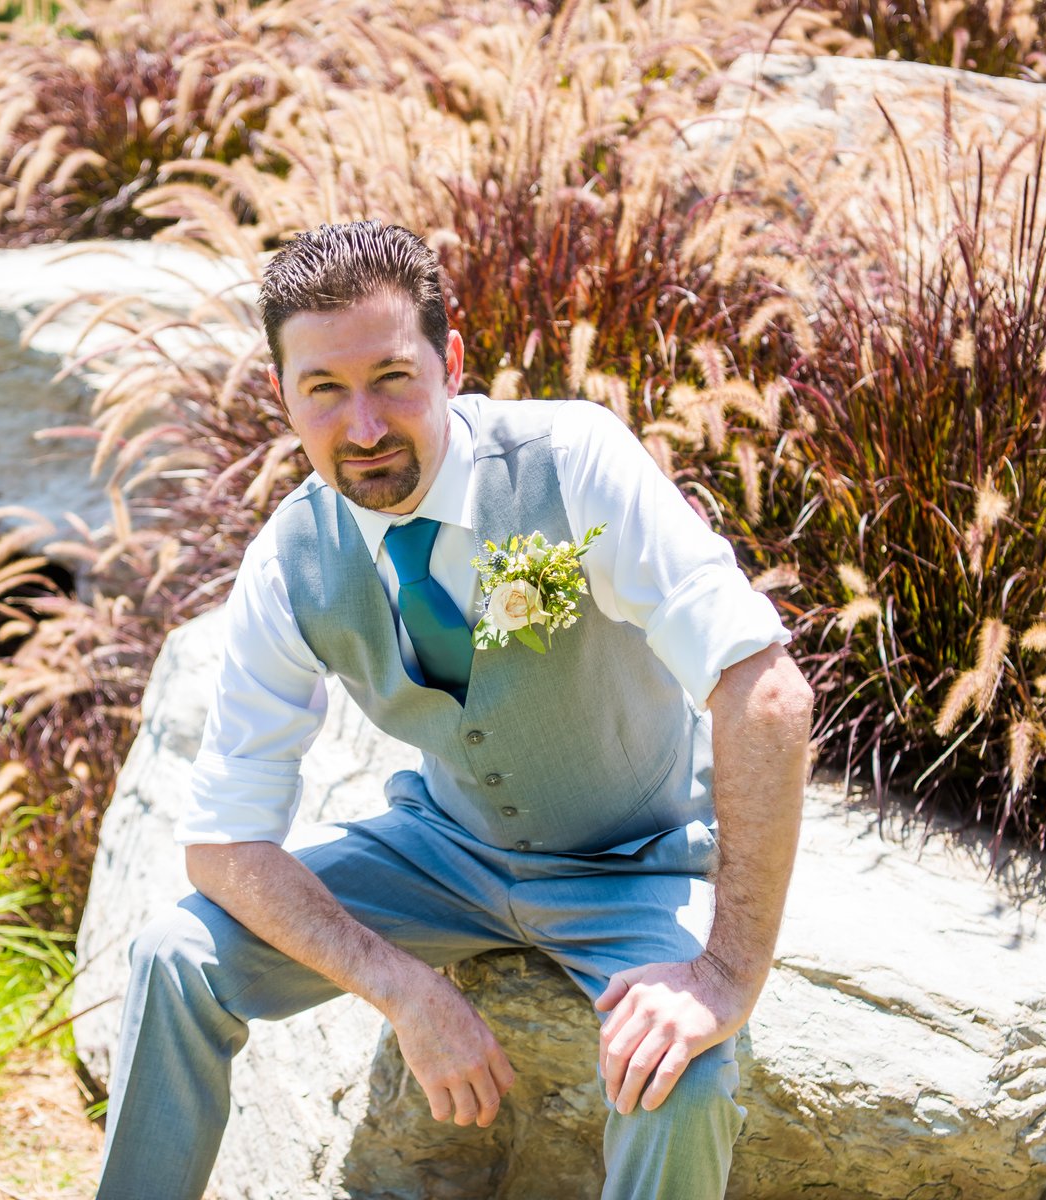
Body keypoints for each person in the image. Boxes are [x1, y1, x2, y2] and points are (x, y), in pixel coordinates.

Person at [92, 219, 813, 1200]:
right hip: (443, 853)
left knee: (679, 1078)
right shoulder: (288, 560)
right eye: (323, 389)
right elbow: (224, 844)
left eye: (392, 377)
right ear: (280, 395)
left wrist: (726, 975)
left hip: (636, 863)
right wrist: (402, 988)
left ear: (453, 364)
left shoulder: (573, 460)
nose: (364, 428)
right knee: (177, 953)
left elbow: (764, 691)